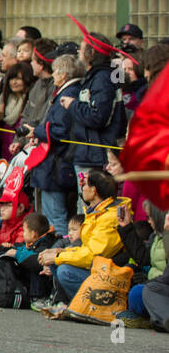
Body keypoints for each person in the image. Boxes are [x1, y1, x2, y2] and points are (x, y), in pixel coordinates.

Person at [37, 169, 124, 303]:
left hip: (108, 273)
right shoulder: (97, 211)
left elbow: (93, 255)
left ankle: (87, 306)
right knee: (56, 262)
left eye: (85, 184)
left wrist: (58, 257)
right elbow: (86, 249)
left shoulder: (109, 217)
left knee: (64, 270)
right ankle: (66, 303)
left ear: (94, 190)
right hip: (96, 268)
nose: (82, 187)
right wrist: (60, 252)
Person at [68, 32, 126, 196]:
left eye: (81, 48)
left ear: (91, 53)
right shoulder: (99, 76)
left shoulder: (102, 78)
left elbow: (98, 116)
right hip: (89, 154)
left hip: (95, 157)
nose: (78, 51)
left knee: (89, 206)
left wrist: (73, 105)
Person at [31, 53, 83, 235]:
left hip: (56, 163)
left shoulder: (67, 95)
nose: (52, 75)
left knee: (55, 218)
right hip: (55, 163)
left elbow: (60, 130)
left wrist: (36, 131)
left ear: (63, 74)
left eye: (54, 71)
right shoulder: (70, 92)